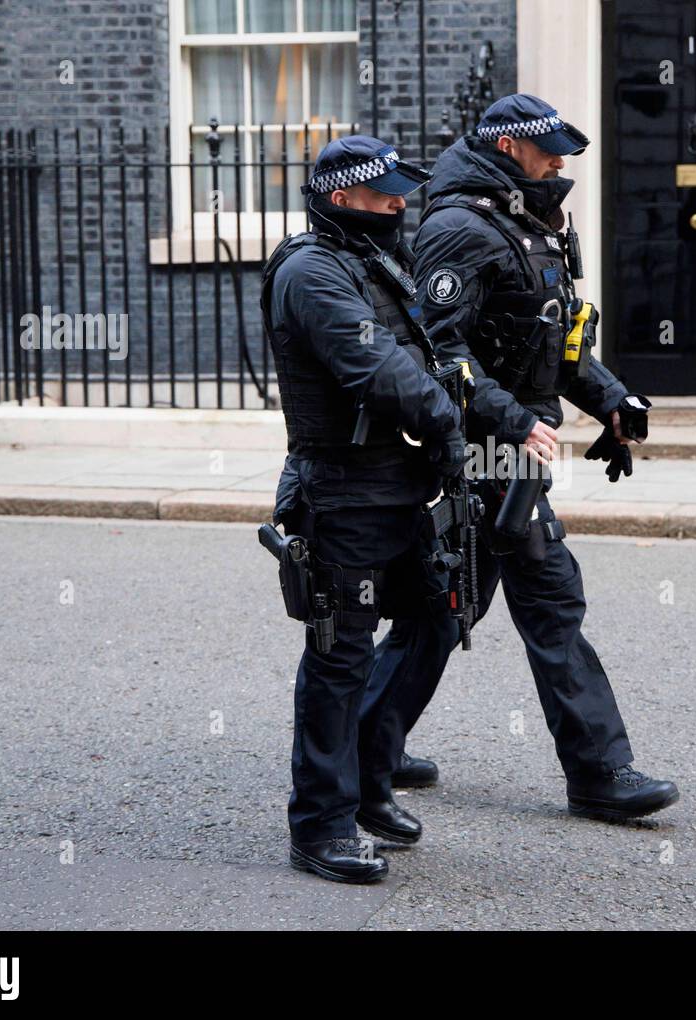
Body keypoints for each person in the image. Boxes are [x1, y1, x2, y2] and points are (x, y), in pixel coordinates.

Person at [364, 94, 680, 821]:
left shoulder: (527, 225)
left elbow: (556, 344)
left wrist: (611, 400)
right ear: (511, 150)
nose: (562, 162)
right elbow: (442, 351)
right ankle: (599, 774)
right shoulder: (459, 228)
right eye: (550, 149)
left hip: (518, 450)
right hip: (480, 450)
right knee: (512, 602)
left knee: (468, 609)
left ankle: (369, 742)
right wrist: (509, 424)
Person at [264, 135, 465, 884]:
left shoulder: (374, 258)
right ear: (342, 198)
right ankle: (320, 824)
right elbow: (369, 363)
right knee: (340, 654)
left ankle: (370, 782)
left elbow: (424, 346)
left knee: (435, 622)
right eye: (386, 194)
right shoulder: (312, 271)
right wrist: (445, 415)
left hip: (401, 481)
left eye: (402, 192)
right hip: (344, 490)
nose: (401, 203)